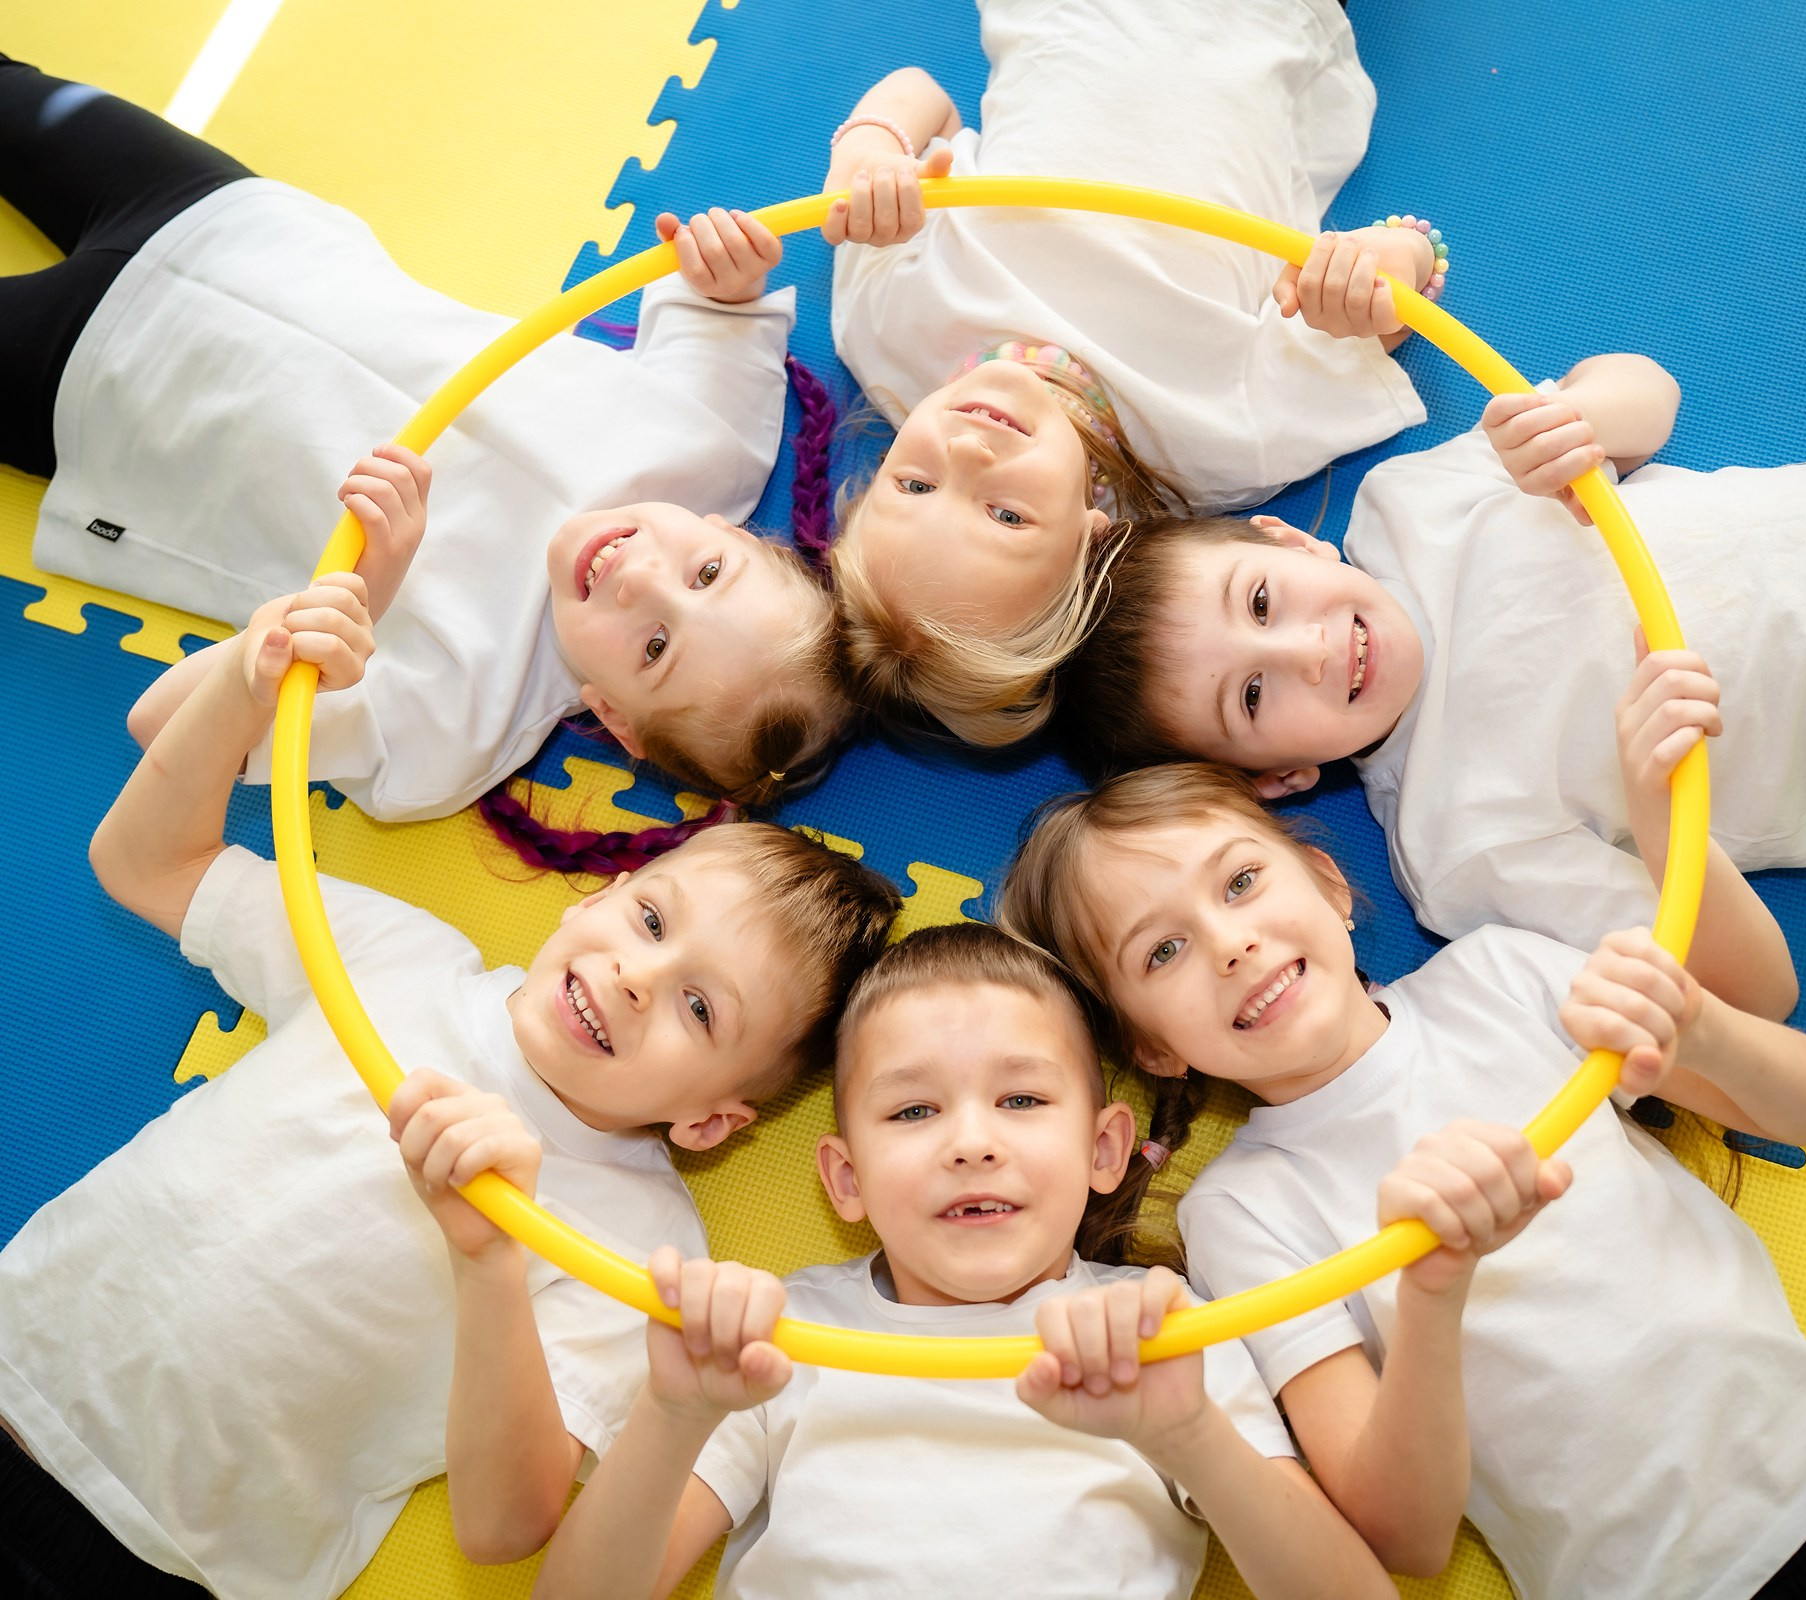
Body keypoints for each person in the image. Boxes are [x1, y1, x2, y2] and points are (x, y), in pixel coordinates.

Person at [0, 578, 900, 1599]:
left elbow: (505, 1526)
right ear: (596, 900)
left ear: (708, 1122)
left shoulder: (641, 1244)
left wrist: (490, 1263)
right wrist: (249, 681)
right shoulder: (402, 958)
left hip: (165, 1556)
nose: (636, 977)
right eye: (651, 920)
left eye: (700, 1008)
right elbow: (144, 862)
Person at [999, 762, 1806, 1596]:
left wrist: (1701, 1029)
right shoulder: (1243, 1211)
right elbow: (1405, 1542)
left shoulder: (1500, 975)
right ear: (1153, 1047)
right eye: (1163, 951)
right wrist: (1432, 1291)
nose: (1230, 945)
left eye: (1240, 882)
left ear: (1329, 884)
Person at [0, 52, 846, 825]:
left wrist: (358, 593)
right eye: (709, 572)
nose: (641, 578)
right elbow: (716, 304)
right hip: (240, 229)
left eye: (655, 649)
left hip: (106, 402)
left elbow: (171, 725)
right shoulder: (717, 444)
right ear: (744, 537)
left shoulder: (454, 728)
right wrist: (727, 274)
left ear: (616, 719)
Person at [1052, 354, 1806, 1017]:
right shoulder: (1457, 845)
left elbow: (1651, 392)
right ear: (1279, 779)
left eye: (1263, 600)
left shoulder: (1411, 504)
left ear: (1288, 540)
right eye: (1254, 698)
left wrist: (1583, 417)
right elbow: (1740, 991)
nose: (1308, 651)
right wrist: (1660, 812)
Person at [532, 921, 1399, 1600]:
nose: (972, 1143)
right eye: (914, 1112)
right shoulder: (775, 1337)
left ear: (1104, 1150)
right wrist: (674, 1415)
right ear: (846, 1179)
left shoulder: (1163, 1332)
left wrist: (1189, 1436)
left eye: (1021, 1099)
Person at [815, 0, 1436, 745]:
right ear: (1091, 541)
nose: (968, 452)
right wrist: (1376, 270)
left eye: (914, 486)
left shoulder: (884, 329)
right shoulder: (1215, 445)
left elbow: (923, 97)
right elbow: (1400, 301)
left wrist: (870, 150)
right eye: (1005, 516)